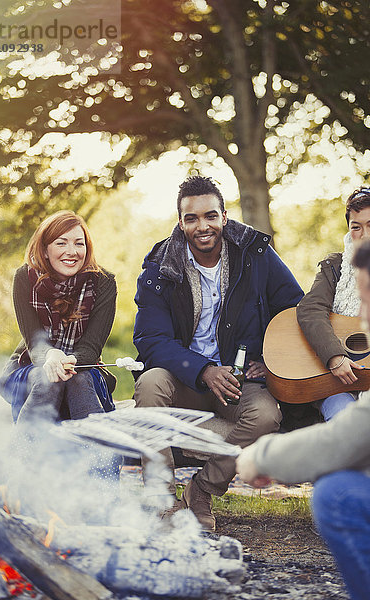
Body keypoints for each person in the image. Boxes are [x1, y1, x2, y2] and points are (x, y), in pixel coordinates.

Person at [133, 175, 303, 531]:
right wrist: (203, 370)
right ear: (181, 223)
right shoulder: (161, 267)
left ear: (224, 216)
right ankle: (164, 504)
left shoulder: (256, 255)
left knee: (266, 416)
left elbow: (293, 310)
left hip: (239, 382)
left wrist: (269, 361)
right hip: (184, 379)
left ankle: (201, 492)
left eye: (210, 216)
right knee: (150, 385)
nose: (202, 226)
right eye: (191, 218)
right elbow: (150, 339)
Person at [236, 239, 370, 600]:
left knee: (336, 494)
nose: (365, 315)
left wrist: (261, 456)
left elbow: (345, 440)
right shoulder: (334, 268)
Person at [0, 210, 117, 428]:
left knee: (77, 379)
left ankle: (102, 459)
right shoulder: (24, 278)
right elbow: (34, 343)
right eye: (61, 243)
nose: (72, 252)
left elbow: (91, 347)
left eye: (79, 244)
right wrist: (51, 355)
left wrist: (71, 361)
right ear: (44, 249)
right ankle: (25, 455)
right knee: (47, 380)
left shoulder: (104, 282)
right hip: (30, 367)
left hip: (85, 367)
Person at [296, 187, 370, 421]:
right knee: (347, 427)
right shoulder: (334, 266)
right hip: (335, 383)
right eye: (356, 227)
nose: (364, 234)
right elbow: (310, 309)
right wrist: (334, 357)